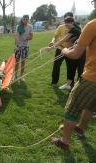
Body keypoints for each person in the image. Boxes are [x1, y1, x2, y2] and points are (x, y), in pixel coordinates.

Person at [51, 0, 96, 150]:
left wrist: (64, 51)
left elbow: (75, 54)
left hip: (92, 77)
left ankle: (64, 141)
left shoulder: (92, 25)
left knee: (72, 108)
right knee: (91, 105)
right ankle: (80, 128)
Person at [46, 16, 86, 90]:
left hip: (82, 52)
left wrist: (51, 48)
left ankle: (79, 87)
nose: (66, 24)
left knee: (80, 69)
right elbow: (77, 40)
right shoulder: (75, 30)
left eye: (68, 22)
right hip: (76, 50)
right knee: (73, 68)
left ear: (72, 23)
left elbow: (63, 40)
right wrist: (70, 47)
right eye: (65, 23)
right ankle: (69, 85)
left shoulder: (73, 30)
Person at [48, 12, 75, 87]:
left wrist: (70, 46)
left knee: (70, 67)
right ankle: (54, 82)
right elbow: (55, 36)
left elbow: (78, 39)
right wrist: (53, 41)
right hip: (60, 49)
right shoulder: (61, 27)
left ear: (73, 20)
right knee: (56, 65)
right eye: (66, 19)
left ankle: (70, 83)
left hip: (70, 50)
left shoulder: (76, 28)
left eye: (69, 19)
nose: (67, 22)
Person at [13, 14, 33, 82]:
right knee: (17, 61)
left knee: (23, 62)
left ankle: (21, 76)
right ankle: (15, 75)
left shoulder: (30, 27)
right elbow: (17, 37)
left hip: (25, 46)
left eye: (26, 19)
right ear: (22, 19)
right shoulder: (18, 26)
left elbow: (31, 37)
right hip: (18, 46)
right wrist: (15, 46)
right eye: (24, 19)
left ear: (28, 20)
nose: (25, 20)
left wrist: (26, 38)